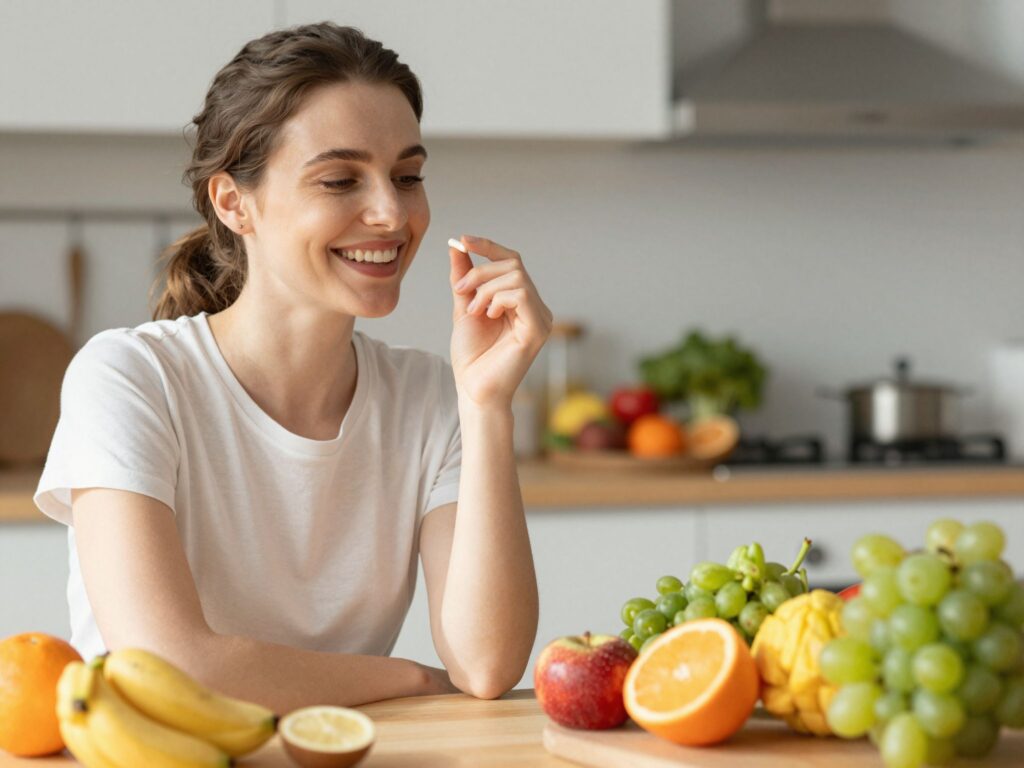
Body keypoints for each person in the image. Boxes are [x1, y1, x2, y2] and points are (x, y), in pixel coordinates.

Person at [34, 22, 552, 710]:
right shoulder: (131, 378)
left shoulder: (430, 395)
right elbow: (168, 665)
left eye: (408, 176)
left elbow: (486, 666)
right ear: (233, 202)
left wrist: (486, 405)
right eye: (341, 179)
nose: (392, 213)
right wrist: (413, 678)